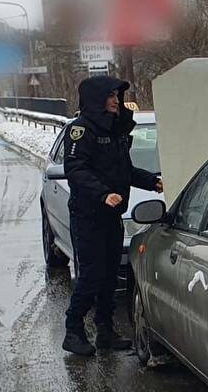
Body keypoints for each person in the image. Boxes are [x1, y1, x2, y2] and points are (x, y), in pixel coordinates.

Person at [61, 75, 163, 356]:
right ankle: (73, 329)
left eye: (116, 96)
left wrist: (151, 181)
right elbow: (76, 170)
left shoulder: (114, 130)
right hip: (89, 215)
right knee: (92, 275)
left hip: (112, 215)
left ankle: (105, 331)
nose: (116, 101)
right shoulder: (81, 131)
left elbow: (124, 171)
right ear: (97, 99)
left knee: (108, 276)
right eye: (110, 96)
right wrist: (103, 194)